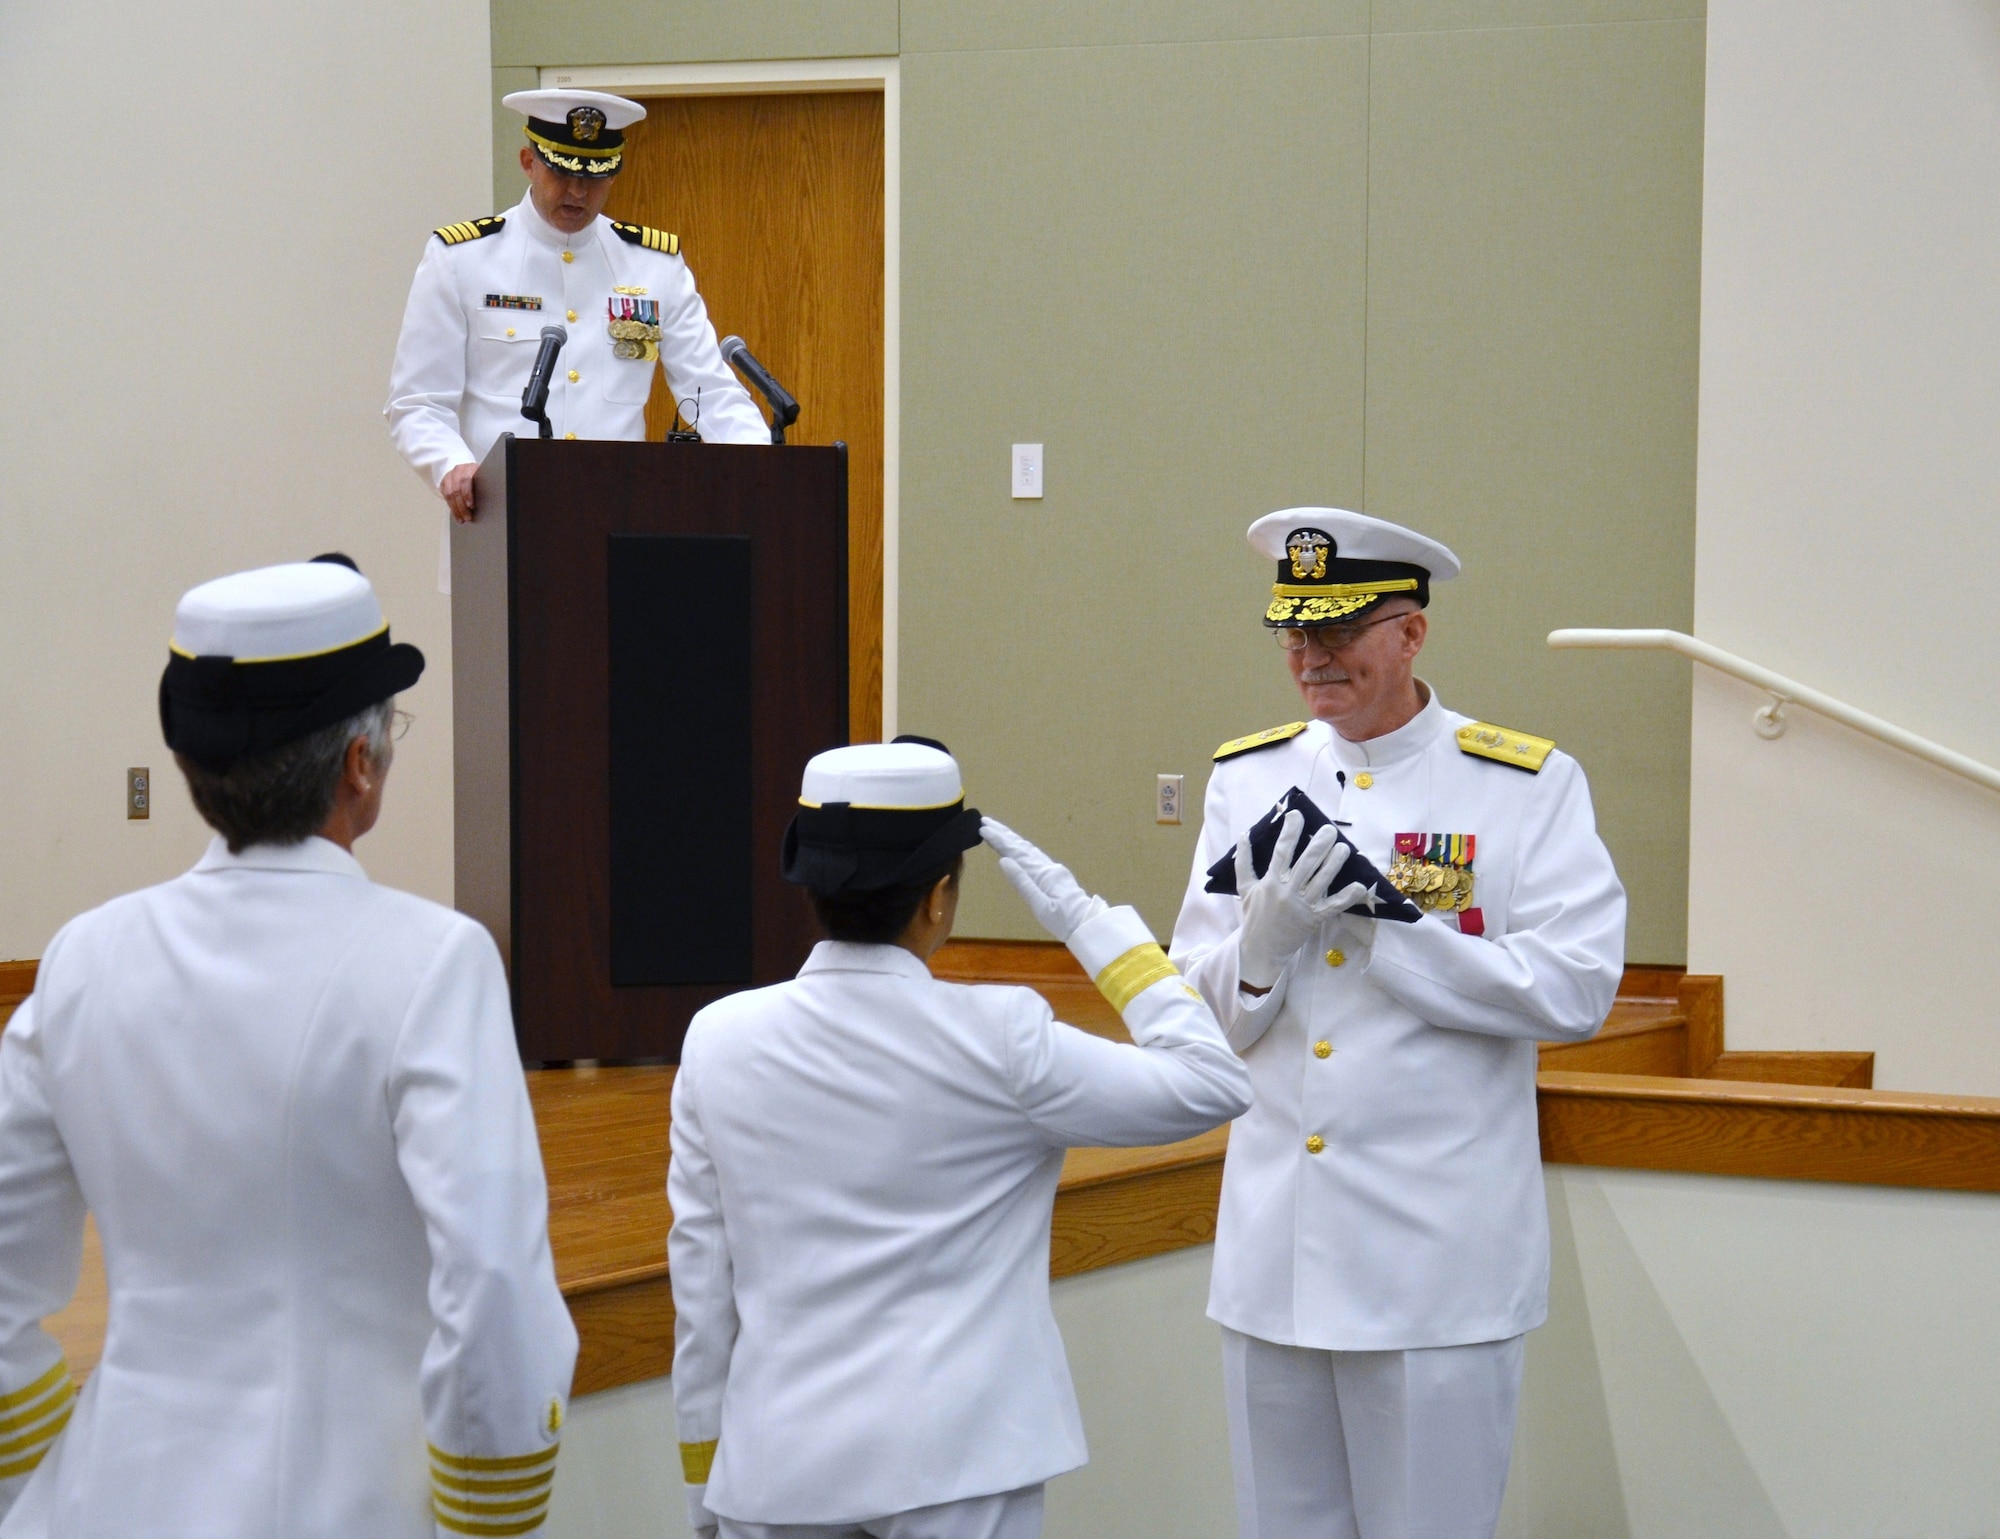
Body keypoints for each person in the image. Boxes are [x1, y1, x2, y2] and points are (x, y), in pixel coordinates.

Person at [0, 556, 577, 1537]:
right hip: (348, 1502)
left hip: (102, 1497)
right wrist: (491, 1510)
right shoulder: (433, 961)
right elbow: (491, 1283)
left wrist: (45, 1461)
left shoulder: (81, 959)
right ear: (359, 765)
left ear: (190, 765)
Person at [1169, 508, 1627, 1539]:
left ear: (1409, 633)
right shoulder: (1247, 778)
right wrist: (1262, 942)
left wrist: (1385, 931)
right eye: (1291, 632)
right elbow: (1192, 1015)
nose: (1307, 659)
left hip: (1433, 1267)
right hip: (1272, 1258)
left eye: (1333, 632)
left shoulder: (1520, 785)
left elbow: (1573, 990)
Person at [667, 739, 1253, 1539]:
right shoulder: (1002, 1035)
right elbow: (1213, 1083)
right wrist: (1093, 928)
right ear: (939, 897)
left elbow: (700, 1287)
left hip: (775, 1470)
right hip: (963, 1464)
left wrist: (706, 1488)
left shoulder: (717, 1038)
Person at [385, 88, 769, 582]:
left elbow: (710, 391)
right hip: (500, 532)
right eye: (562, 172)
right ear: (528, 161)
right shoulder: (462, 259)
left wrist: (764, 469)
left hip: (621, 536)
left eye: (596, 176)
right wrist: (451, 466)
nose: (578, 193)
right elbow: (417, 403)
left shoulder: (654, 266)